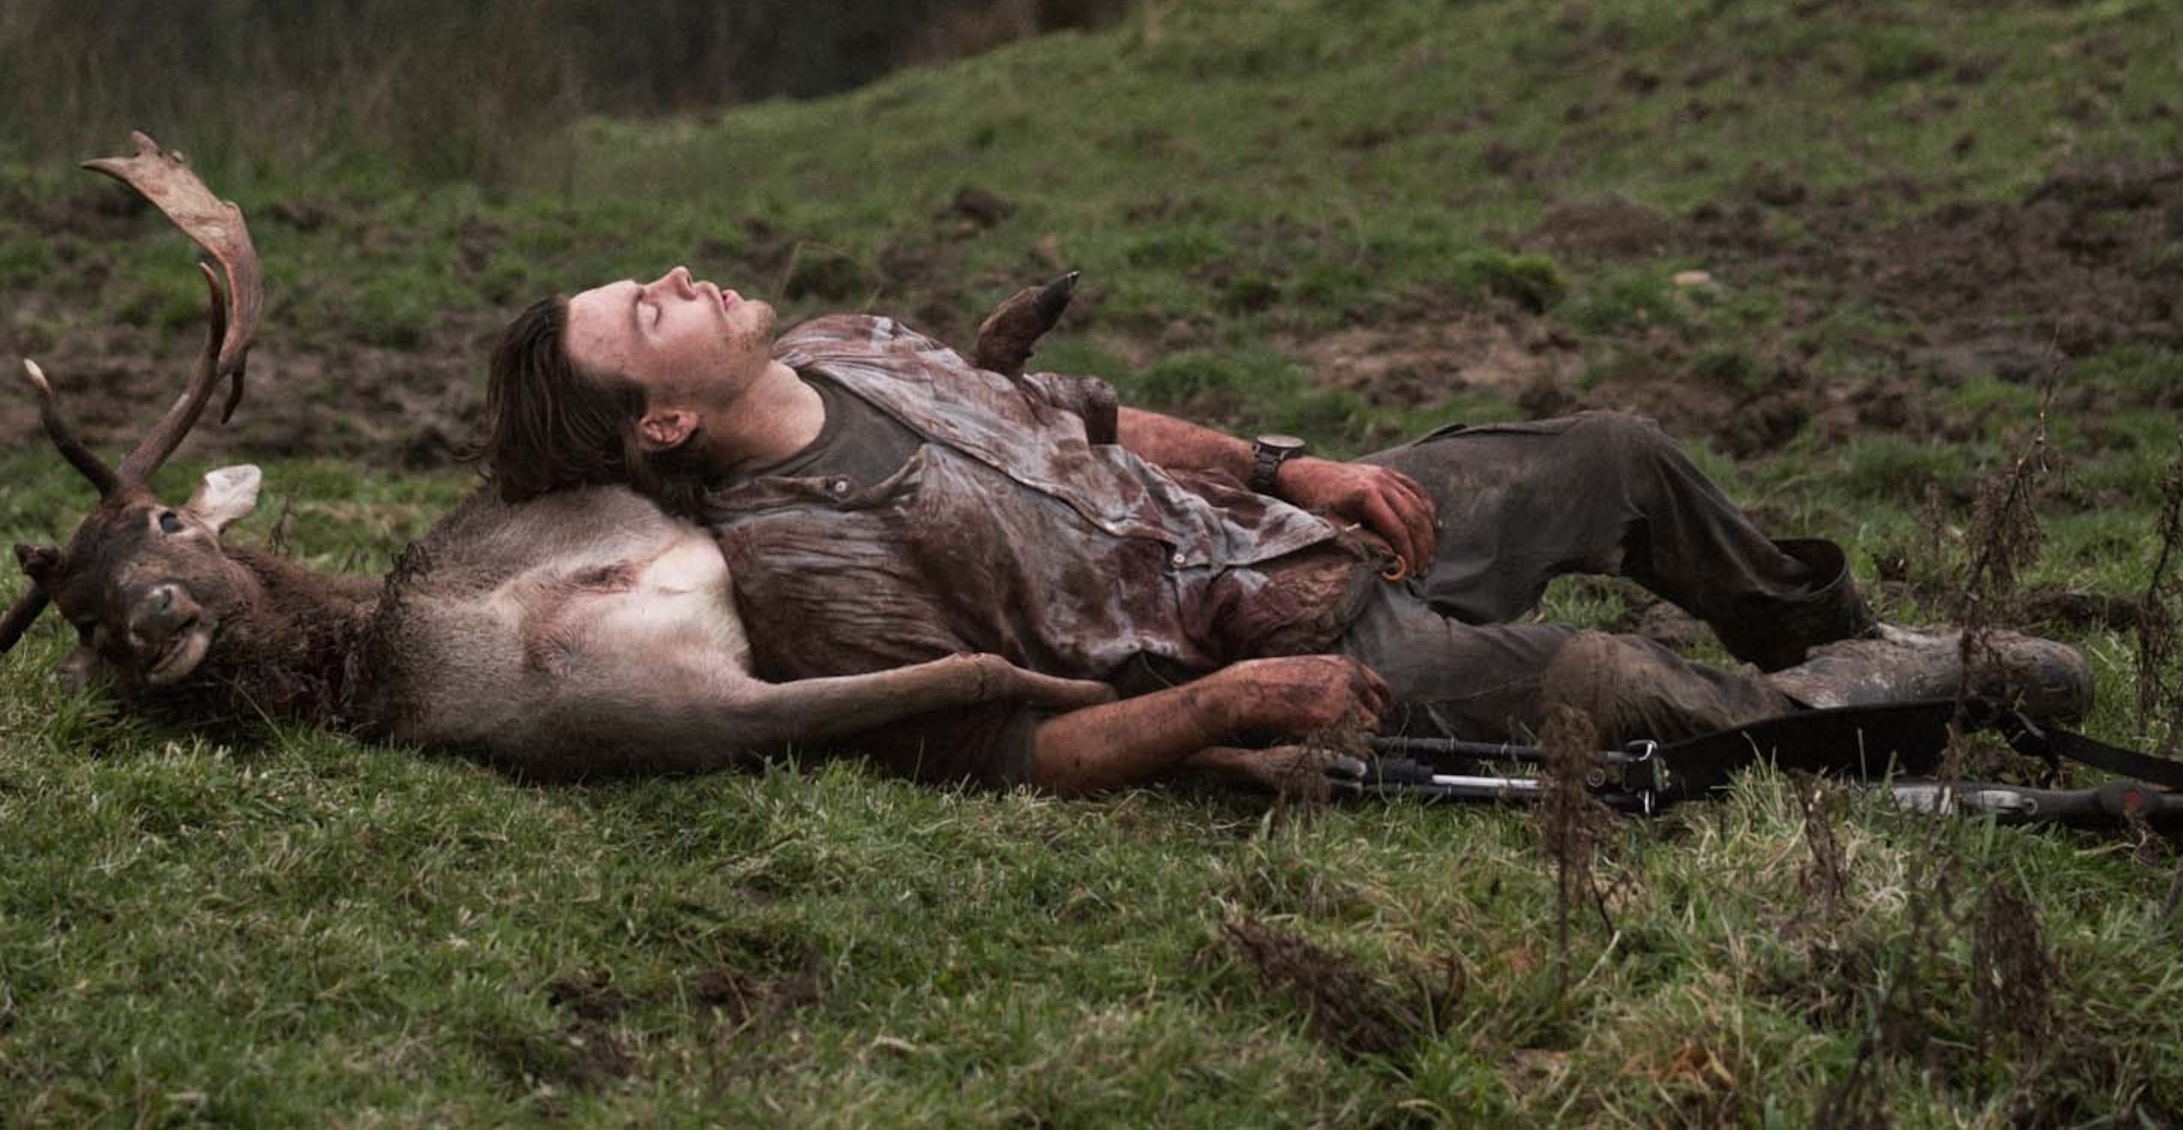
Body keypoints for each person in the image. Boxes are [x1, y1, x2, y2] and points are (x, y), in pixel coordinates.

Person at [480, 268, 2088, 792]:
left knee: (1618, 454)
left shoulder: (845, 337)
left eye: (652, 272)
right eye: (643, 308)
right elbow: (1002, 753)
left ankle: (1829, 640)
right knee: (1622, 685)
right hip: (1283, 634)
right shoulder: (803, 556)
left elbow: (1091, 420)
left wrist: (1291, 463)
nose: (675, 274)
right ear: (663, 422)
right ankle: (1911, 714)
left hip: (1279, 528)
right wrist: (1235, 707)